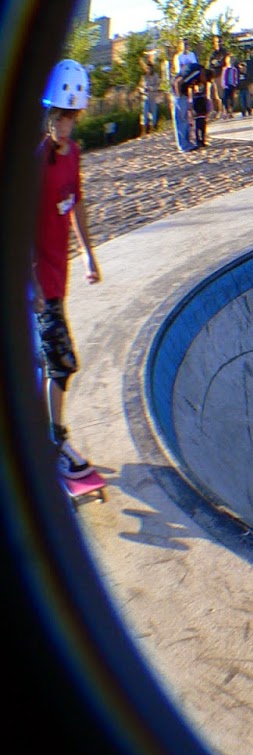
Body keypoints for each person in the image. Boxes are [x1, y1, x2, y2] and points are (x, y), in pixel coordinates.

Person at [32, 60, 103, 482]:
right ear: (49, 114)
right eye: (60, 117)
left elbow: (75, 202)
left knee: (43, 363)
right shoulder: (34, 160)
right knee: (62, 363)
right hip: (38, 283)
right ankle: (54, 443)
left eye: (71, 118)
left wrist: (90, 253)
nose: (66, 126)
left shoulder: (72, 154)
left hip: (59, 276)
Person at [139, 50, 161, 136]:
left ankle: (153, 130)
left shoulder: (155, 76)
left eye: (150, 68)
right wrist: (142, 89)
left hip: (153, 96)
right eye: (147, 68)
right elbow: (140, 86)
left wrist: (151, 88)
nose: (148, 70)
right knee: (144, 113)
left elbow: (157, 86)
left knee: (153, 113)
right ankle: (144, 131)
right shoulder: (144, 77)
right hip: (145, 97)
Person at [206, 35, 229, 117]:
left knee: (221, 94)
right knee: (211, 94)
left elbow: (224, 63)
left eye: (219, 41)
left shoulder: (224, 52)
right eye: (216, 41)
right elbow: (210, 64)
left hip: (221, 75)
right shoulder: (213, 53)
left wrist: (217, 63)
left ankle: (224, 110)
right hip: (213, 76)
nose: (218, 43)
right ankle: (214, 111)